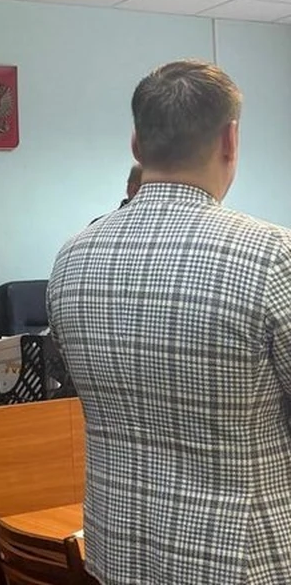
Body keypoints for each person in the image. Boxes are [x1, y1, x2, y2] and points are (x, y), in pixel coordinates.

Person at [48, 59, 291, 584]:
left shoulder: (71, 258)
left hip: (117, 551)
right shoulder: (271, 256)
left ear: (136, 143)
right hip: (240, 561)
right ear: (230, 140)